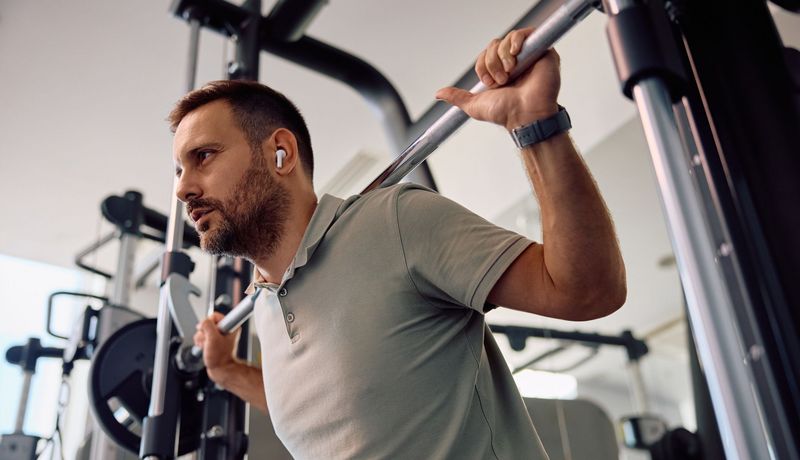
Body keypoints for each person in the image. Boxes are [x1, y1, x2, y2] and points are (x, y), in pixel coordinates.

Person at [172, 27, 626, 459]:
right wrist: (228, 372)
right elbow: (337, 422)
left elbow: (586, 291)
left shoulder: (394, 221)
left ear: (281, 153)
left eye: (203, 156)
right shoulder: (265, 304)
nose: (182, 188)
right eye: (179, 170)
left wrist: (535, 125)